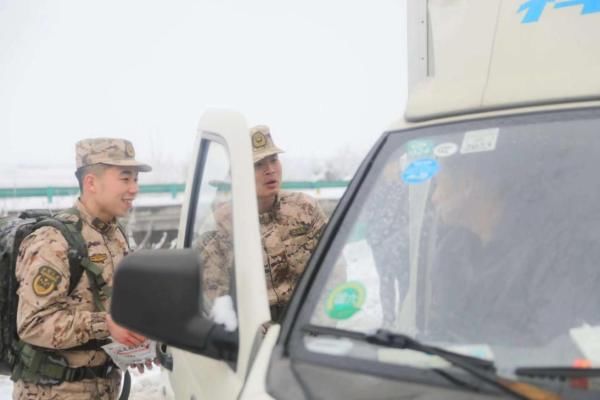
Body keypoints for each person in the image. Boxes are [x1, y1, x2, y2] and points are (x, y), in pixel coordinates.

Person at [12, 138, 151, 400]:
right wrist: (106, 326)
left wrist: (132, 347)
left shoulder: (115, 235)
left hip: (104, 388)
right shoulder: (53, 241)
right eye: (125, 179)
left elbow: (108, 305)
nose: (134, 189)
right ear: (91, 182)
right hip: (53, 392)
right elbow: (33, 324)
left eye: (136, 180)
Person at [201, 125, 328, 323]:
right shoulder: (221, 225)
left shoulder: (305, 208)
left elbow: (332, 271)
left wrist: (319, 324)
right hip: (252, 337)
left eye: (274, 160)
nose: (270, 170)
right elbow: (215, 296)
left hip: (304, 329)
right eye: (258, 164)